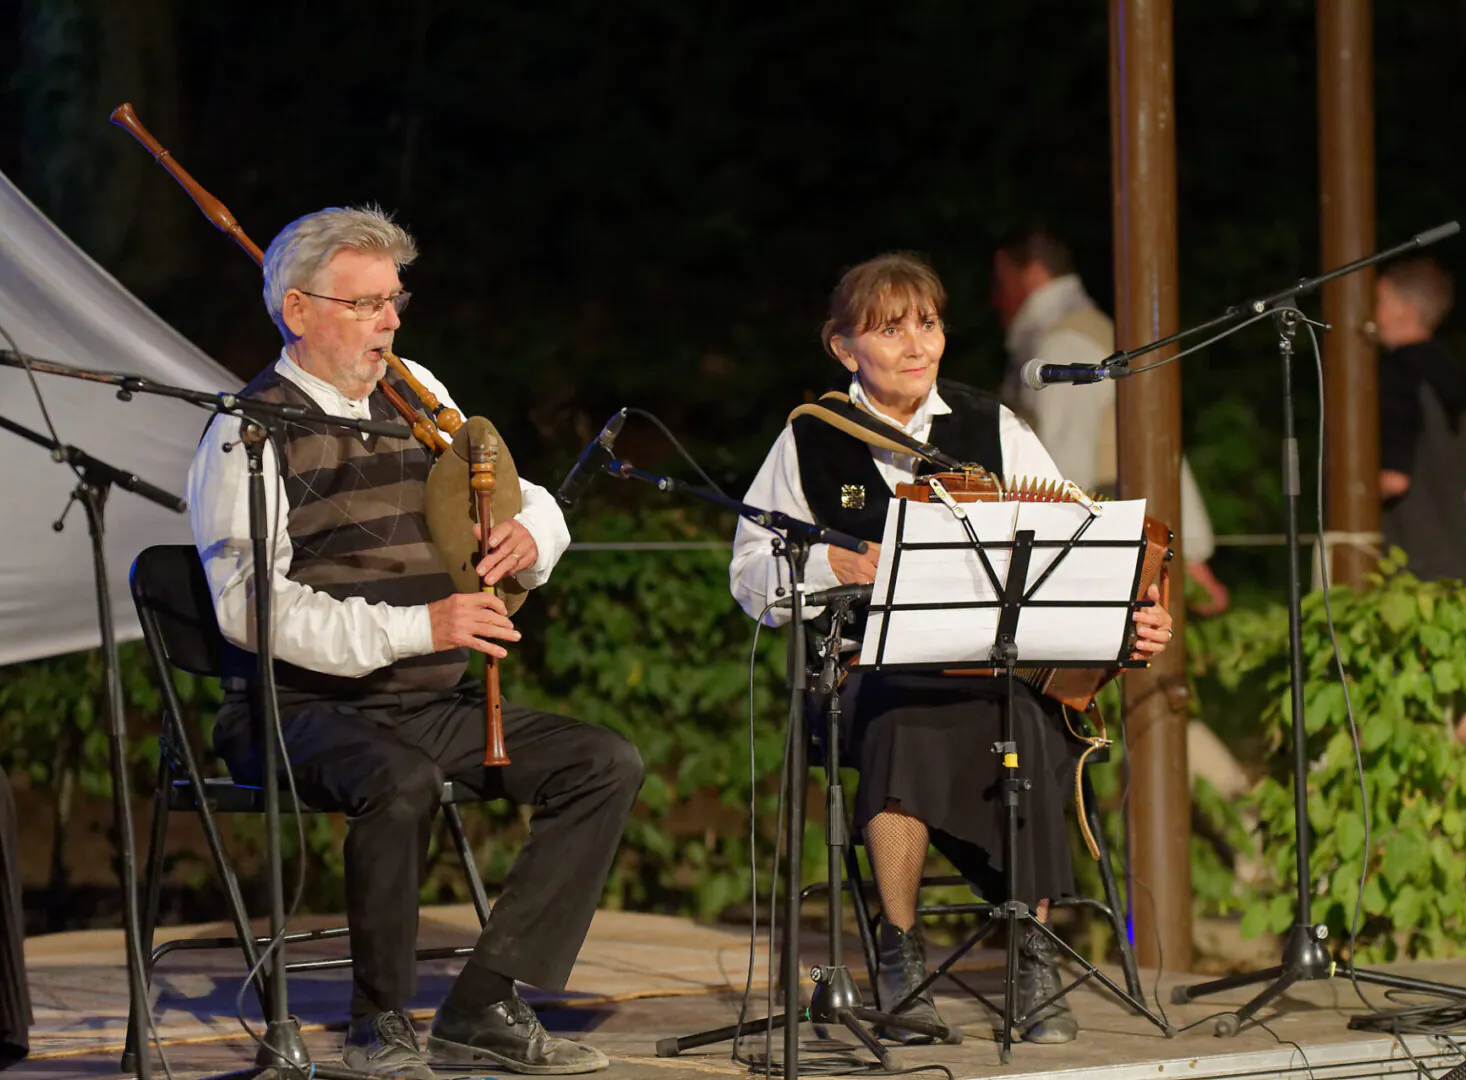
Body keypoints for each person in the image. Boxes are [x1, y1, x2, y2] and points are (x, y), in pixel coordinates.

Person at [189, 206, 642, 1078]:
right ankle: (377, 1021)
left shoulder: (414, 390)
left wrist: (529, 538)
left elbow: (517, 489)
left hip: (425, 701)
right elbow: (250, 609)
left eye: (394, 301)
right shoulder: (247, 432)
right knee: (400, 781)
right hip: (298, 709)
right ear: (297, 310)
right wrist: (419, 626)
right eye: (365, 305)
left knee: (603, 762)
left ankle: (483, 1005)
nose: (390, 322)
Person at [730, 252, 1173, 1045]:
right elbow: (750, 575)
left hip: (993, 667)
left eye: (926, 323)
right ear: (843, 348)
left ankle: (1031, 954)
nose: (915, 343)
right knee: (900, 728)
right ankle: (898, 957)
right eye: (890, 327)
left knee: (1034, 724)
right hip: (870, 671)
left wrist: (1127, 619)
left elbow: (1069, 541)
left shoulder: (992, 425)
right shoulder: (807, 439)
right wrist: (836, 563)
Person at [992, 228, 1229, 615]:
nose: (995, 299)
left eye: (1001, 282)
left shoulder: (1065, 343)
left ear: (1032, 275)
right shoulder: (1083, 330)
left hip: (1116, 554)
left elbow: (1063, 474)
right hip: (1133, 544)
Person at [1373, 257, 1466, 582]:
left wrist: (1341, 498)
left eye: (1379, 303)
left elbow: (1393, 479)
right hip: (1457, 559)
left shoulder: (1397, 374)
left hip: (1407, 570)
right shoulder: (1454, 373)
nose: (1373, 315)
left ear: (1404, 309)